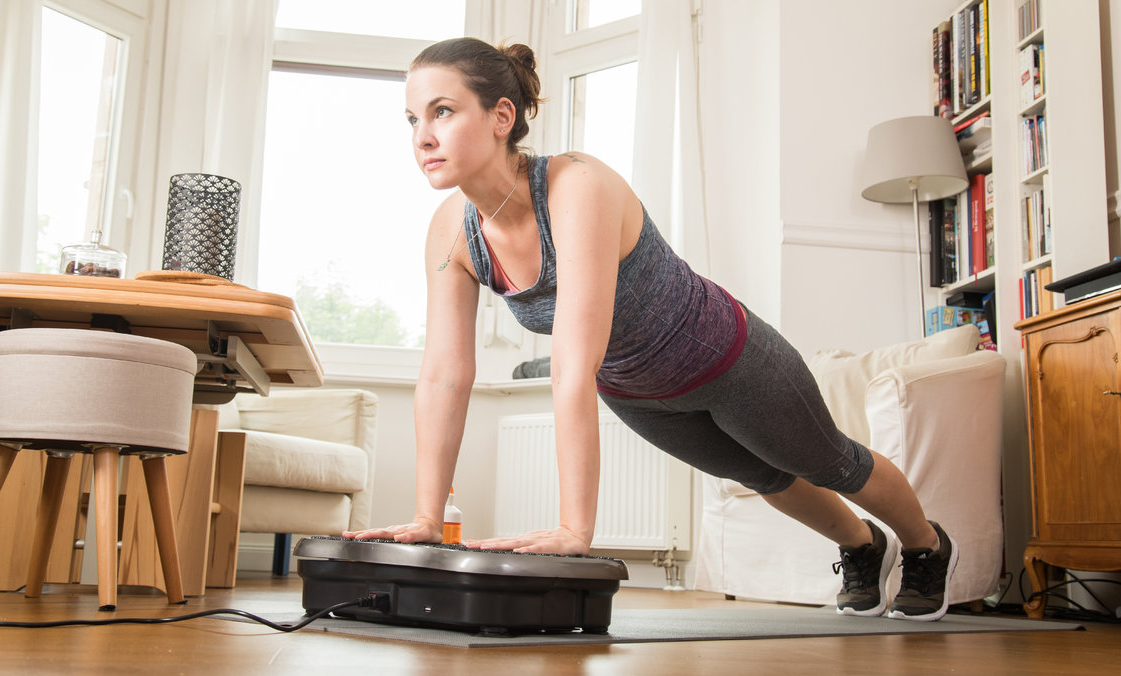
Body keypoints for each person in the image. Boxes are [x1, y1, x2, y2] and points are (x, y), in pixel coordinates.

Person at [344, 37, 958, 622]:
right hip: (640, 394)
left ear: (502, 115)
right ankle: (862, 545)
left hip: (727, 358)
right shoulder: (452, 232)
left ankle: (927, 547)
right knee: (763, 475)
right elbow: (446, 376)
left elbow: (570, 365)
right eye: (411, 119)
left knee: (831, 464)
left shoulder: (575, 186)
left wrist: (574, 530)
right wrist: (426, 516)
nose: (423, 136)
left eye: (442, 111)